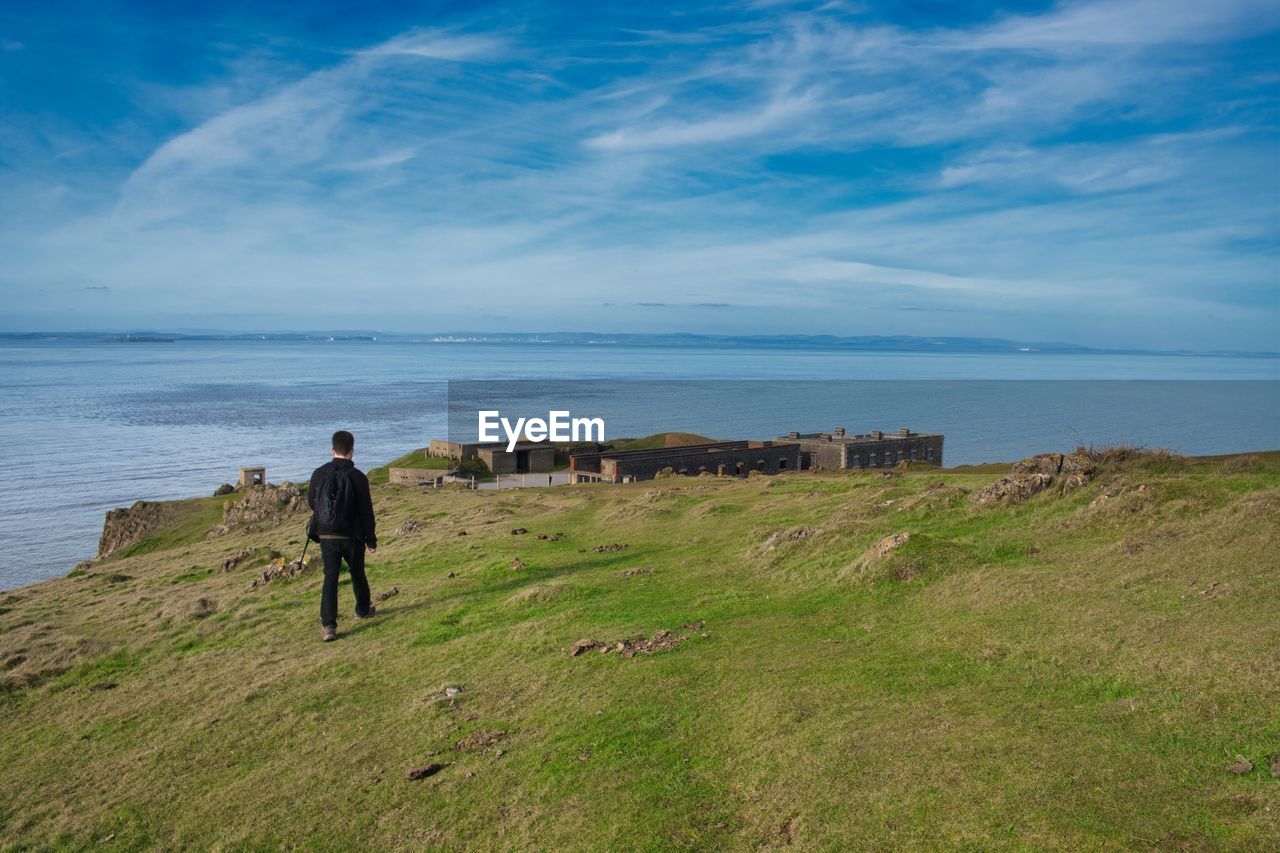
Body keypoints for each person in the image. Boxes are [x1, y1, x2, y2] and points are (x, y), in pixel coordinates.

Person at [307, 430, 378, 642]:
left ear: (332, 450)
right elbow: (366, 512)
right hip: (352, 536)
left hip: (327, 536)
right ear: (352, 451)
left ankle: (329, 626)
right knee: (357, 572)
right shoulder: (358, 477)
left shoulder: (319, 474)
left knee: (330, 578)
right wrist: (370, 539)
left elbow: (313, 503)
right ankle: (362, 610)